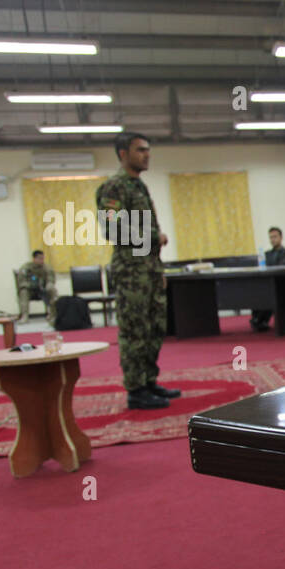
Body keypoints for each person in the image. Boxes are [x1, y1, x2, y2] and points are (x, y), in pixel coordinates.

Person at [96, 132, 179, 409]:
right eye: (140, 150)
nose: (147, 155)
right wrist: (154, 236)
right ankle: (135, 389)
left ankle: (149, 380)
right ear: (123, 154)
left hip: (149, 269)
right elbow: (112, 227)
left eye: (148, 150)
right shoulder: (114, 187)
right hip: (131, 272)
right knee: (134, 330)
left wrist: (157, 269)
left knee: (155, 327)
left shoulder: (138, 186)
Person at [250, 226, 285, 332]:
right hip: (267, 284)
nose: (272, 240)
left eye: (275, 237)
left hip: (284, 285)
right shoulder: (265, 255)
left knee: (273, 293)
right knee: (257, 291)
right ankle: (258, 320)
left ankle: (260, 320)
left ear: (281, 237)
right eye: (270, 237)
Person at [15, 249, 58, 323]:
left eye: (43, 258)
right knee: (23, 292)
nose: (42, 260)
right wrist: (30, 285)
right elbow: (21, 281)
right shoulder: (26, 268)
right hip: (30, 290)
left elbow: (51, 278)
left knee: (52, 290)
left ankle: (53, 315)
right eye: (40, 258)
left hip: (43, 290)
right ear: (34, 259)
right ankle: (24, 316)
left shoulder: (46, 267)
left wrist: (49, 284)